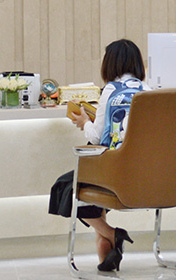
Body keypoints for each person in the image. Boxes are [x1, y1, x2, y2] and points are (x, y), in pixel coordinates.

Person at [48, 39, 151, 272]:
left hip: (115, 174)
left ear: (110, 64)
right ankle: (106, 254)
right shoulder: (149, 90)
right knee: (92, 185)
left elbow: (96, 138)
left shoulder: (111, 91)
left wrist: (85, 122)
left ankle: (113, 234)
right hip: (146, 176)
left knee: (67, 187)